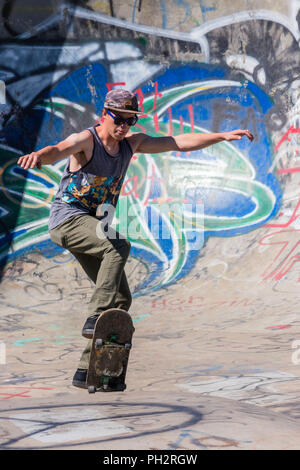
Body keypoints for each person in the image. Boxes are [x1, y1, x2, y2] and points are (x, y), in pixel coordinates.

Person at [17, 89, 254, 389]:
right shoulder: (86, 141)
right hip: (67, 220)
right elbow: (59, 148)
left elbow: (177, 143)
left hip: (90, 226)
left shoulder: (132, 143)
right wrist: (39, 157)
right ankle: (94, 316)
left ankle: (87, 371)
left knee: (120, 299)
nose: (124, 127)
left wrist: (219, 137)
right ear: (104, 115)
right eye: (119, 120)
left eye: (130, 122)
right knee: (117, 245)